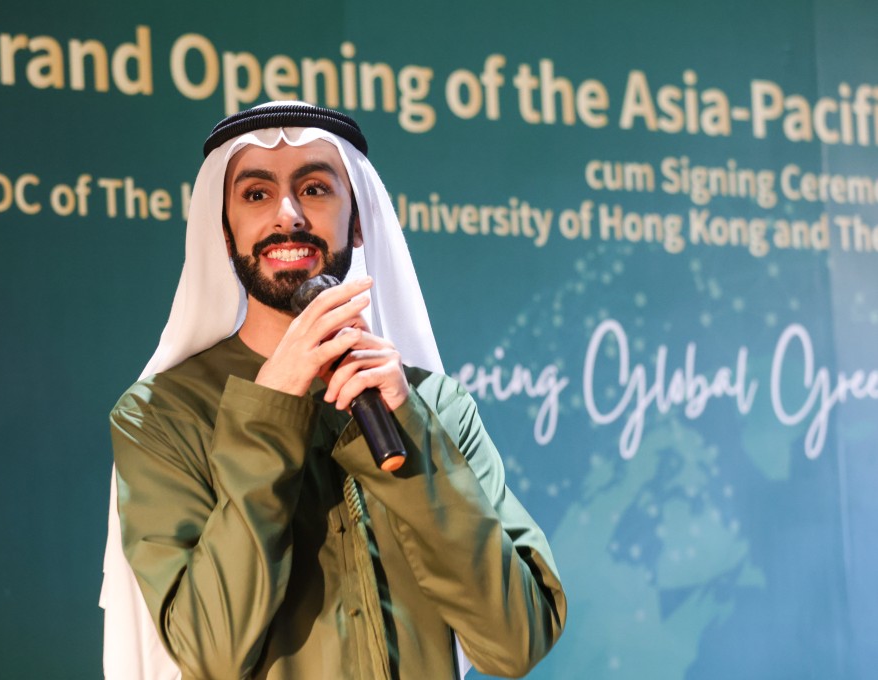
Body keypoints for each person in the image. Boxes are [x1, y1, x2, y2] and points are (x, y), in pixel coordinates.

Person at [101, 102, 566, 680]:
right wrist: (269, 415)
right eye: (255, 195)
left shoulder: (434, 406)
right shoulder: (160, 417)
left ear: (358, 220)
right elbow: (213, 652)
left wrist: (411, 429)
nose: (288, 215)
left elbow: (515, 642)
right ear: (224, 233)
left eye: (316, 188)